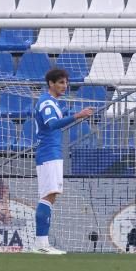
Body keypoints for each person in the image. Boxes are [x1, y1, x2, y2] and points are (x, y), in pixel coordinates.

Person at [32, 68, 93, 255]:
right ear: (51, 83)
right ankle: (41, 244)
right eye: (60, 82)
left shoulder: (53, 103)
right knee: (48, 196)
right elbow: (51, 125)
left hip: (51, 153)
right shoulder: (47, 102)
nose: (65, 86)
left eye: (66, 82)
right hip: (48, 153)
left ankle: (42, 243)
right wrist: (77, 115)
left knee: (50, 196)